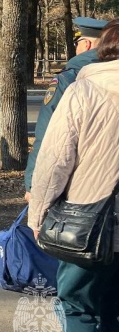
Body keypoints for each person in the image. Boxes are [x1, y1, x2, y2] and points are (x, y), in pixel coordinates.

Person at [28, 19, 119, 332]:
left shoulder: (85, 91)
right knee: (108, 312)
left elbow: (54, 163)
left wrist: (38, 215)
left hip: (90, 225)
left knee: (75, 308)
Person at [24, 17, 107, 200]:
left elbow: (48, 136)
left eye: (77, 42)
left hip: (76, 185)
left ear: (86, 44)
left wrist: (33, 183)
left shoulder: (69, 79)